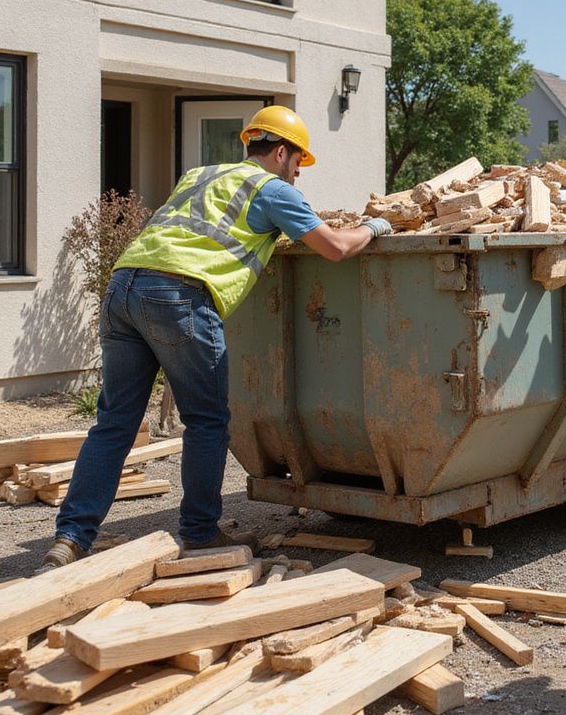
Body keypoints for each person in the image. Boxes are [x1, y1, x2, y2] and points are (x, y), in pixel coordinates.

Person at [38, 106, 391, 570]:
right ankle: (200, 534)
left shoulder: (200, 176)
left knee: (114, 424)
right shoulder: (272, 189)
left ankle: (70, 539)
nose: (298, 174)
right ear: (281, 152)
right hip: (179, 296)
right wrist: (375, 227)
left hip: (122, 287)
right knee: (206, 422)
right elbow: (335, 248)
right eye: (298, 163)